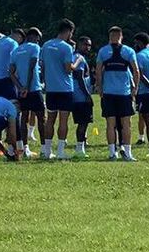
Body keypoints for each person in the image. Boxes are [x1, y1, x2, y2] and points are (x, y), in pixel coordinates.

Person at [96, 26, 141, 161]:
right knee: (126, 124)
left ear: (110, 37)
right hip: (124, 93)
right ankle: (127, 153)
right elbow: (136, 71)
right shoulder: (129, 51)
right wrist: (135, 88)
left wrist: (99, 87)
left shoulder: (103, 51)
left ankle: (112, 153)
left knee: (111, 124)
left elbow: (98, 71)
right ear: (121, 36)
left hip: (109, 93)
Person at [39, 19, 77, 160]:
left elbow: (42, 67)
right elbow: (68, 69)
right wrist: (76, 63)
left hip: (51, 88)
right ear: (69, 32)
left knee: (50, 120)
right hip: (65, 88)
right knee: (63, 121)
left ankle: (48, 151)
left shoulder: (46, 45)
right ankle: (60, 151)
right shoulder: (66, 47)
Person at [12, 26, 44, 157]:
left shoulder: (16, 50)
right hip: (34, 89)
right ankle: (45, 149)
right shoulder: (35, 48)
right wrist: (27, 87)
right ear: (35, 36)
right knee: (42, 118)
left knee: (23, 118)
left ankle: (25, 149)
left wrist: (20, 88)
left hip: (22, 91)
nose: (38, 42)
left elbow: (11, 73)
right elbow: (32, 67)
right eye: (38, 39)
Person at [69, 35, 95, 158]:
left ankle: (83, 143)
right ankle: (80, 149)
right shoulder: (78, 57)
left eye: (89, 45)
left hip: (78, 95)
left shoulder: (80, 57)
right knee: (83, 122)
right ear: (79, 44)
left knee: (84, 122)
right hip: (80, 96)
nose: (88, 47)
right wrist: (87, 95)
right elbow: (79, 78)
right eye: (85, 44)